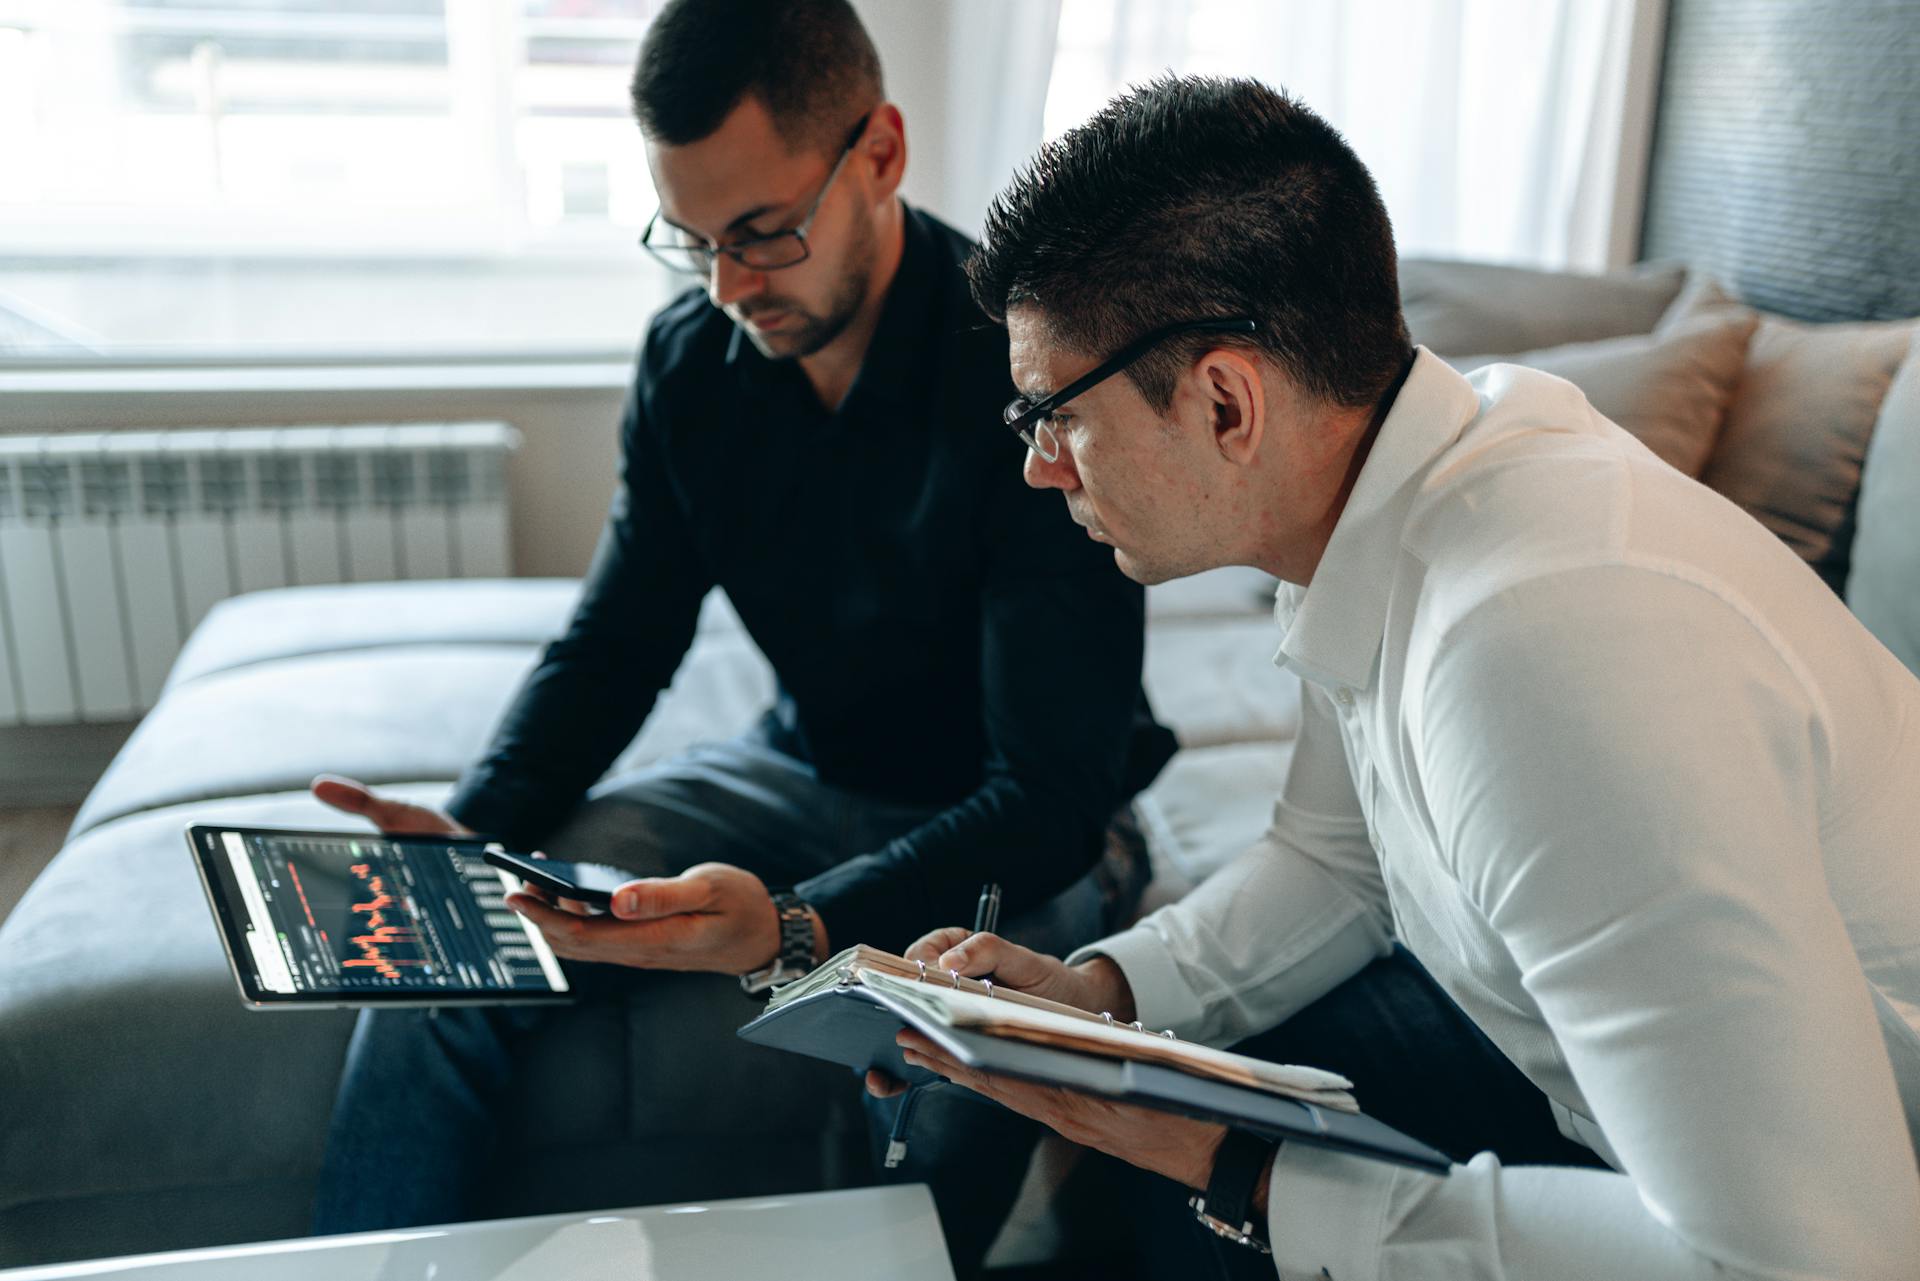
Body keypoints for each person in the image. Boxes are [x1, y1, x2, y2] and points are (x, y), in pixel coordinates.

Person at [873, 75, 1920, 1280]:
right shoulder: (1387, 495)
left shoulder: (1542, 661)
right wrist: (1097, 992)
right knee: (1150, 1159)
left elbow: (1809, 1260)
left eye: (1051, 411)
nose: (1040, 470)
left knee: (1202, 1188)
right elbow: (1343, 857)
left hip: (1829, 1198)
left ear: (1226, 400)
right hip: (1580, 1080)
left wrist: (1239, 1167)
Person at [307, 3, 1173, 1271]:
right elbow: (616, 644)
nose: (729, 286)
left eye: (764, 233)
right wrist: (482, 827)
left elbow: (1048, 789)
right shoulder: (691, 365)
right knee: (460, 947)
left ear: (880, 152)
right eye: (694, 241)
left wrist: (790, 923)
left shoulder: (1028, 377)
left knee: (961, 1068)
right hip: (793, 770)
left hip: (1023, 827)